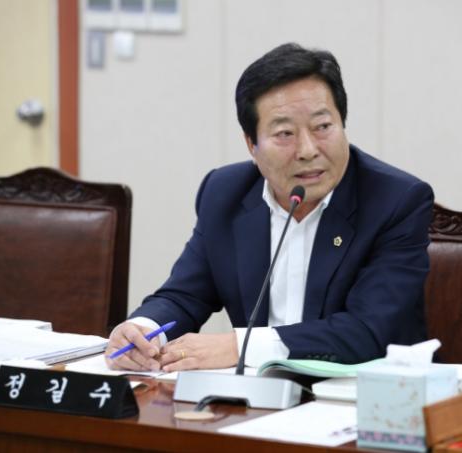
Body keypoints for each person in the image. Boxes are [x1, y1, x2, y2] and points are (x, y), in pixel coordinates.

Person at [106, 43, 434, 372]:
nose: (308, 150)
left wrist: (241, 347)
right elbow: (184, 296)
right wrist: (143, 330)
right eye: (285, 133)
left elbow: (367, 331)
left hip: (365, 392)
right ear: (252, 144)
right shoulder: (225, 193)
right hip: (256, 393)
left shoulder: (395, 201)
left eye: (323, 127)